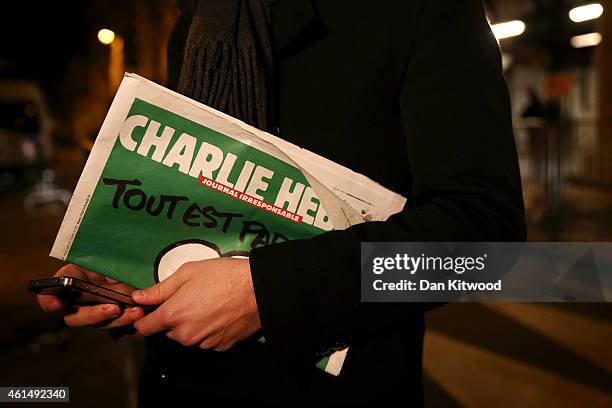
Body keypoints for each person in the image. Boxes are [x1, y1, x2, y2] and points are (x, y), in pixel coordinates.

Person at [38, 0, 526, 405]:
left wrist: (266, 294)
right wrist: (130, 270)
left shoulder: (427, 10)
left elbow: (485, 243)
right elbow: (205, 208)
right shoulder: (201, 22)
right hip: (184, 386)